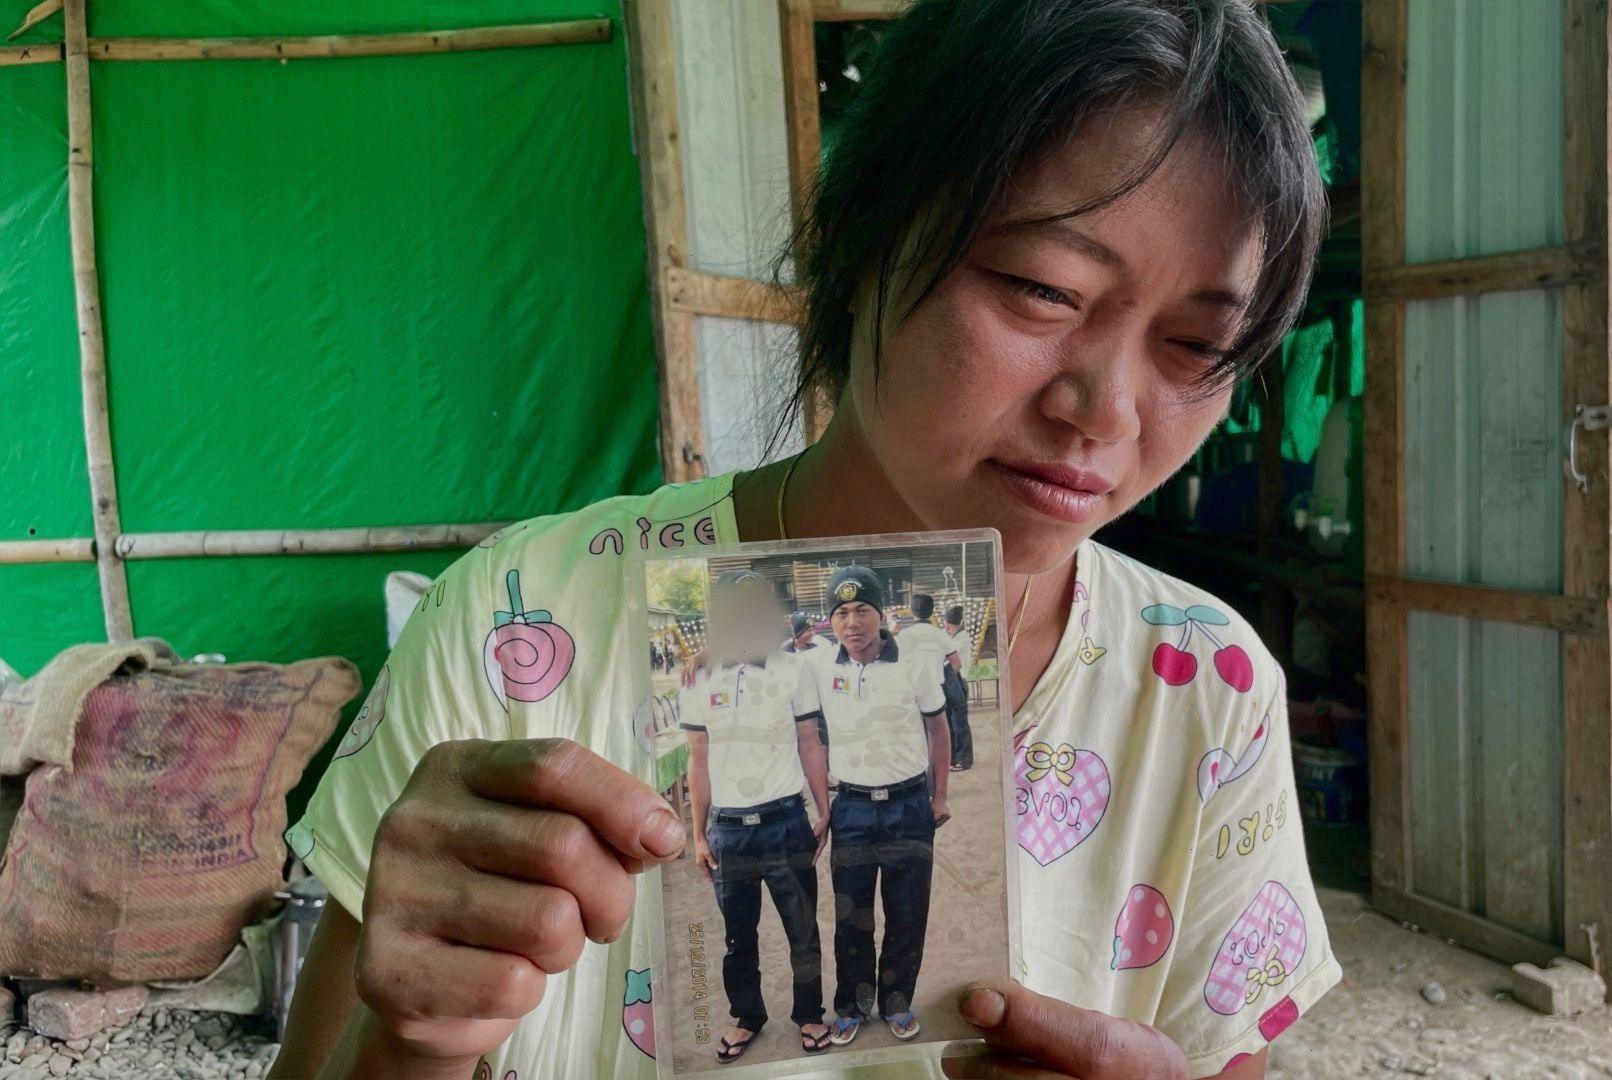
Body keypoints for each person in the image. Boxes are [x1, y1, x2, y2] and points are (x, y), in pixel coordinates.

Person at [272, 2, 1335, 1077]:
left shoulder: (1204, 684)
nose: (1105, 413)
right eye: (1041, 290)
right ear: (863, 233)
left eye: (1199, 346)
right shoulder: (516, 626)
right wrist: (411, 1045)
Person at [681, 571, 834, 1061]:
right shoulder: (700, 677)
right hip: (729, 832)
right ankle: (747, 1017)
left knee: (802, 929)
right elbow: (698, 759)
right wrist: (699, 834)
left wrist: (823, 806)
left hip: (786, 824)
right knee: (736, 938)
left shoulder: (795, 669)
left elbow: (809, 741)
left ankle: (809, 1013)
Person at [794, 567, 950, 1045]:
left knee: (907, 912)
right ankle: (853, 1004)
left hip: (907, 806)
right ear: (830, 621)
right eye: (841, 613)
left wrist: (939, 795)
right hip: (853, 810)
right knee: (852, 914)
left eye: (863, 610)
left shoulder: (915, 664)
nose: (852, 622)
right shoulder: (818, 667)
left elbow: (938, 728)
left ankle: (897, 1001)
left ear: (883, 615)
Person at [895, 593, 971, 771]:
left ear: (912, 612)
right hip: (937, 688)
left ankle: (919, 768)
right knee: (938, 731)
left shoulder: (903, 635)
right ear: (932, 612)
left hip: (911, 689)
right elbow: (956, 664)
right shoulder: (940, 634)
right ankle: (942, 764)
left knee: (917, 731)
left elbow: (895, 663)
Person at [942, 603, 976, 769]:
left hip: (958, 680)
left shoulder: (961, 638)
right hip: (949, 680)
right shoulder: (951, 637)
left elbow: (946, 657)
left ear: (947, 623)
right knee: (949, 719)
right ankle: (954, 757)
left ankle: (964, 759)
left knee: (959, 721)